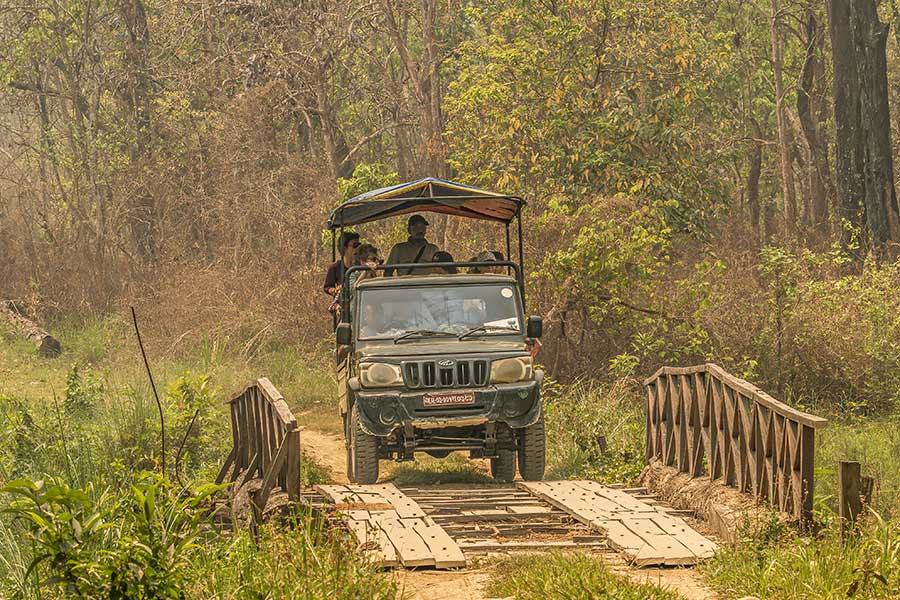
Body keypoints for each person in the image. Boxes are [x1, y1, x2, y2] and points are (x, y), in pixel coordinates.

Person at [324, 231, 360, 297]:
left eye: (359, 245)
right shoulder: (335, 267)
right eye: (355, 245)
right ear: (344, 248)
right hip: (343, 303)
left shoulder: (362, 266)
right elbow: (327, 287)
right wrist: (334, 290)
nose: (357, 248)